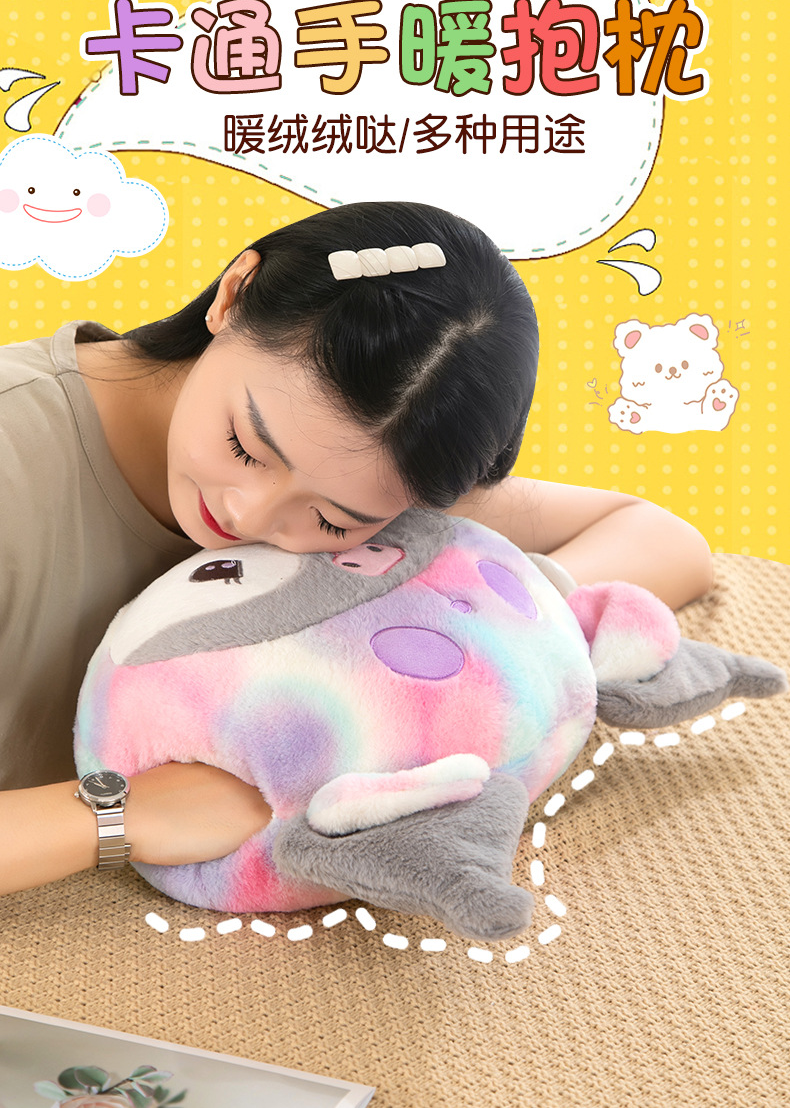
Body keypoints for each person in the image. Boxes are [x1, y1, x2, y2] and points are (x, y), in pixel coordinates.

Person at [0, 201, 713, 897]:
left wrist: (500, 629)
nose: (250, 514)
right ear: (234, 295)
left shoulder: (377, 472)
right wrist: (119, 815)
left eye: (331, 519)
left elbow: (662, 538)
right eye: (245, 446)